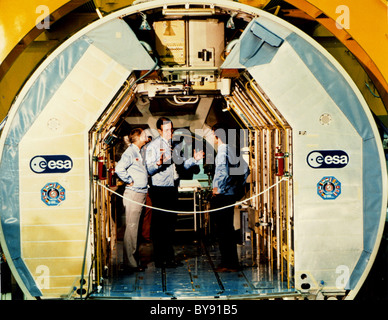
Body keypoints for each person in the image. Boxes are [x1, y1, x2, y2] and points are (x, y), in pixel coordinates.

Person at [145, 117, 204, 268]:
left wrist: (194, 159)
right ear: (159, 131)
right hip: (160, 190)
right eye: (166, 130)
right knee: (160, 226)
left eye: (171, 129)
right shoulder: (153, 146)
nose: (170, 132)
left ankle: (169, 257)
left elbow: (183, 165)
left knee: (170, 224)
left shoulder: (174, 146)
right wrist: (159, 163)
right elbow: (149, 169)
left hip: (172, 188)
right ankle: (160, 259)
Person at [211, 123, 249, 272]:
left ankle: (228, 263)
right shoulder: (233, 150)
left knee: (222, 230)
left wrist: (218, 189)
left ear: (216, 136)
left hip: (222, 195)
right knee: (228, 228)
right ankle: (231, 262)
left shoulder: (222, 152)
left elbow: (222, 172)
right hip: (231, 194)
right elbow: (246, 170)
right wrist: (238, 187)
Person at [115, 128, 149, 272]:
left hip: (140, 193)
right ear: (138, 137)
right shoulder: (130, 152)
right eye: (144, 134)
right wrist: (129, 180)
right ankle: (130, 264)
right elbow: (119, 169)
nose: (146, 136)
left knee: (135, 228)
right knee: (132, 228)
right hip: (134, 194)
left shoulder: (138, 152)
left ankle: (134, 260)